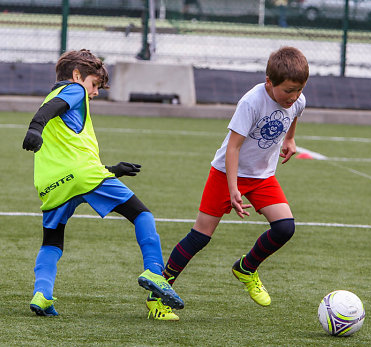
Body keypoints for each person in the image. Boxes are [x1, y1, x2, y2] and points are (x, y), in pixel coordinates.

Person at [22, 49, 183, 321]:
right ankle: (155, 271)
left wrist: (113, 170)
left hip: (52, 185)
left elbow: (69, 152)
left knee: (51, 242)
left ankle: (42, 294)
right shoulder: (74, 91)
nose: (95, 92)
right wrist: (34, 127)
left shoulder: (55, 97)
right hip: (84, 176)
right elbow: (49, 113)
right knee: (141, 214)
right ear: (77, 76)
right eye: (95, 84)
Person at [161, 46, 309, 317]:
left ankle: (246, 267)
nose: (294, 96)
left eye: (298, 89)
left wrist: (289, 139)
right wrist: (233, 189)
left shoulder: (297, 100)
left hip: (262, 176)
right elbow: (233, 148)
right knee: (200, 236)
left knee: (285, 227)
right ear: (269, 82)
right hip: (226, 173)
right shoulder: (251, 102)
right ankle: (158, 294)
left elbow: (295, 113)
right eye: (288, 90)